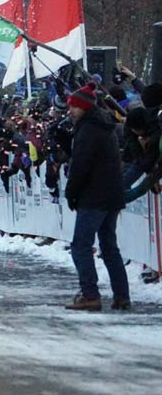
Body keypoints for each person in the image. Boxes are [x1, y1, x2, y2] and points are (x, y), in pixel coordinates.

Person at [63, 85, 130, 311]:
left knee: (80, 246)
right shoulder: (104, 125)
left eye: (74, 106)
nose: (70, 110)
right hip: (111, 194)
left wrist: (71, 193)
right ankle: (122, 295)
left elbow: (80, 165)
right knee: (109, 247)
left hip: (94, 196)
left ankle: (90, 295)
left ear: (84, 107)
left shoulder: (88, 129)